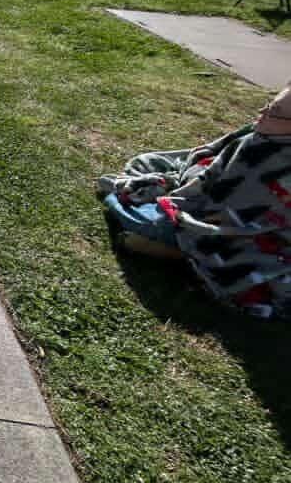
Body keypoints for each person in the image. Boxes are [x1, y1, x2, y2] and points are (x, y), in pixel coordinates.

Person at [97, 84, 291, 319]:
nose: (262, 112)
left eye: (274, 111)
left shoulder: (274, 159)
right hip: (208, 206)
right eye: (269, 104)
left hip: (233, 242)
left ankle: (180, 253)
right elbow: (208, 162)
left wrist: (168, 194)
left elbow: (215, 211)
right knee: (147, 161)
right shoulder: (264, 134)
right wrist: (179, 180)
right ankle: (182, 252)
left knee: (142, 216)